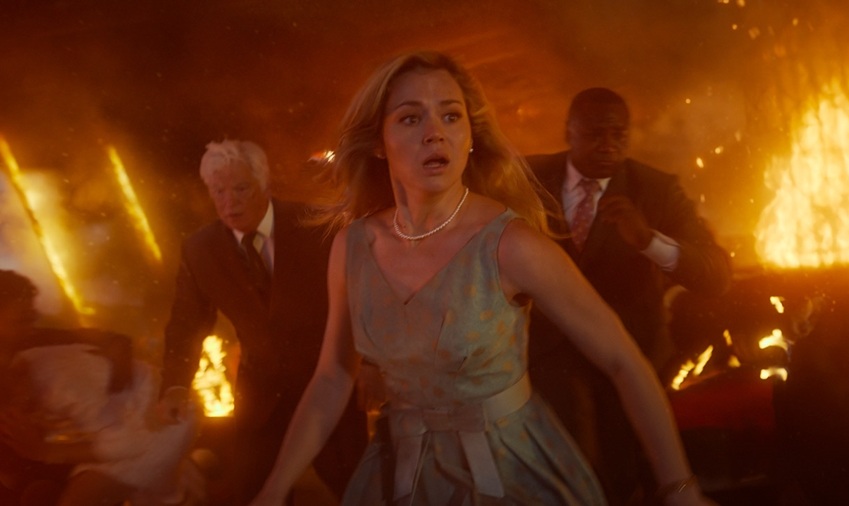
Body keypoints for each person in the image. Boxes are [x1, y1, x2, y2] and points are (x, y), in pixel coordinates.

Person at [248, 51, 713, 506]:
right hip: (400, 477)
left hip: (508, 474)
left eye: (451, 116)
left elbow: (623, 360)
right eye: (411, 118)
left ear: (471, 136)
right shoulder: (353, 247)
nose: (435, 132)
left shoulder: (511, 244)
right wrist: (273, 490)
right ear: (377, 142)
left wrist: (681, 490)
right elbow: (333, 376)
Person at [526, 87, 732, 505]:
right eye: (594, 133)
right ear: (569, 131)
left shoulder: (654, 190)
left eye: (619, 134)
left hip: (634, 358)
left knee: (630, 480)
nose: (608, 145)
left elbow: (716, 275)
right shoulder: (527, 178)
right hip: (546, 361)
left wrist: (649, 242)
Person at [158, 140, 368, 505]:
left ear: (265, 184)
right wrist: (175, 384)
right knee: (253, 493)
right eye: (218, 191)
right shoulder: (201, 250)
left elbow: (365, 297)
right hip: (261, 399)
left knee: (359, 490)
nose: (229, 201)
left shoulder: (317, 225)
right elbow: (187, 322)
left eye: (241, 189)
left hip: (328, 387)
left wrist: (374, 365)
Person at [0, 269, 203, 506]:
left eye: (30, 316)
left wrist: (45, 451)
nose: (31, 325)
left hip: (146, 425)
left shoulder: (54, 372)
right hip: (117, 427)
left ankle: (178, 485)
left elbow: (113, 343)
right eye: (22, 319)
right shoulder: (28, 368)